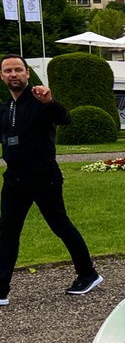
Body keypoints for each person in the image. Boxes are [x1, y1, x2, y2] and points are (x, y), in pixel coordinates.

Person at [0, 54, 102, 304]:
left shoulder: (39, 100)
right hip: (14, 180)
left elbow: (64, 118)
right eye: (8, 71)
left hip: (44, 178)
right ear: (1, 76)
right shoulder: (5, 107)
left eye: (18, 70)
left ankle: (88, 274)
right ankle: (1, 289)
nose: (13, 74)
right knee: (7, 234)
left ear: (27, 73)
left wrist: (50, 101)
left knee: (61, 227)